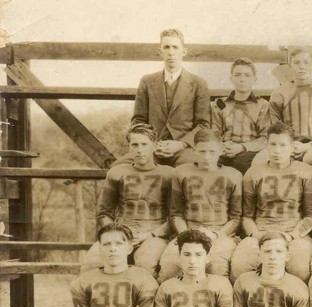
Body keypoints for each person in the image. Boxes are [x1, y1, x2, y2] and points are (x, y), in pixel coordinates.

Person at [231, 122, 312, 283]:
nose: (277, 150)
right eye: (273, 144)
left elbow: (310, 216)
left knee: (300, 269)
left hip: (293, 232)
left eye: (283, 145)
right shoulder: (253, 173)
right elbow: (247, 216)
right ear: (266, 145)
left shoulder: (305, 172)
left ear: (292, 147)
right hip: (261, 230)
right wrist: (256, 234)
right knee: (239, 266)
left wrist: (293, 235)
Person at [83, 124, 173, 277]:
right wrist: (116, 234)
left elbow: (175, 216)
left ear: (154, 146)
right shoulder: (118, 173)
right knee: (92, 262)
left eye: (144, 144)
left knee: (145, 263)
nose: (139, 149)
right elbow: (104, 213)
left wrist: (150, 235)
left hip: (153, 233)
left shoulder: (169, 174)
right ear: (129, 147)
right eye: (135, 145)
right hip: (122, 232)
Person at [158, 129, 242, 282]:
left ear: (221, 150)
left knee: (217, 268)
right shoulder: (181, 173)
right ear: (194, 149)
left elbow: (236, 218)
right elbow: (176, 213)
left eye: (212, 151)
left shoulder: (234, 175)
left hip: (220, 233)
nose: (207, 157)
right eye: (202, 151)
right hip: (188, 230)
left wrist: (216, 235)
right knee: (169, 267)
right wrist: (186, 234)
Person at [126, 28, 210, 167]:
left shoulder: (198, 83)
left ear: (183, 51)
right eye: (166, 47)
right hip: (152, 148)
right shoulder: (147, 81)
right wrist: (150, 144)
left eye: (175, 47)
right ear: (160, 52)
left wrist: (181, 144)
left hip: (184, 149)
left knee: (188, 170)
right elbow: (138, 120)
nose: (171, 52)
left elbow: (203, 125)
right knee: (120, 168)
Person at [258, 47, 312, 171]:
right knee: (259, 160)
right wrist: (287, 146)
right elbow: (276, 128)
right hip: (286, 145)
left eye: (306, 62)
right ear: (290, 66)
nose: (301, 67)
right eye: (297, 63)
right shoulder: (279, 94)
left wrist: (308, 146)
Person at [211, 57, 270, 175]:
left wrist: (242, 147)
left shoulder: (262, 105)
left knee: (242, 163)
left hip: (249, 151)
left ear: (254, 79)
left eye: (247, 75)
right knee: (212, 163)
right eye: (237, 75)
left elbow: (265, 138)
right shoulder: (220, 104)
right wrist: (221, 146)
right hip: (224, 150)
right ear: (231, 79)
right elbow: (214, 133)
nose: (242, 79)